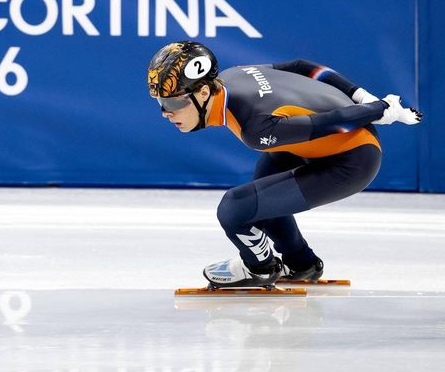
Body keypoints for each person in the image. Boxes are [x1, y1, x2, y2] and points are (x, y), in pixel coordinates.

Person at [147, 41, 422, 288]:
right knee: (262, 187)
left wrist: (377, 109)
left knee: (234, 209)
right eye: (160, 102)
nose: (164, 113)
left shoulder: (254, 126)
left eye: (171, 102)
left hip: (352, 160)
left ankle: (261, 268)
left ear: (204, 92)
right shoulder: (231, 76)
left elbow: (326, 123)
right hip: (323, 143)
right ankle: (302, 264)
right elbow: (302, 67)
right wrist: (360, 94)